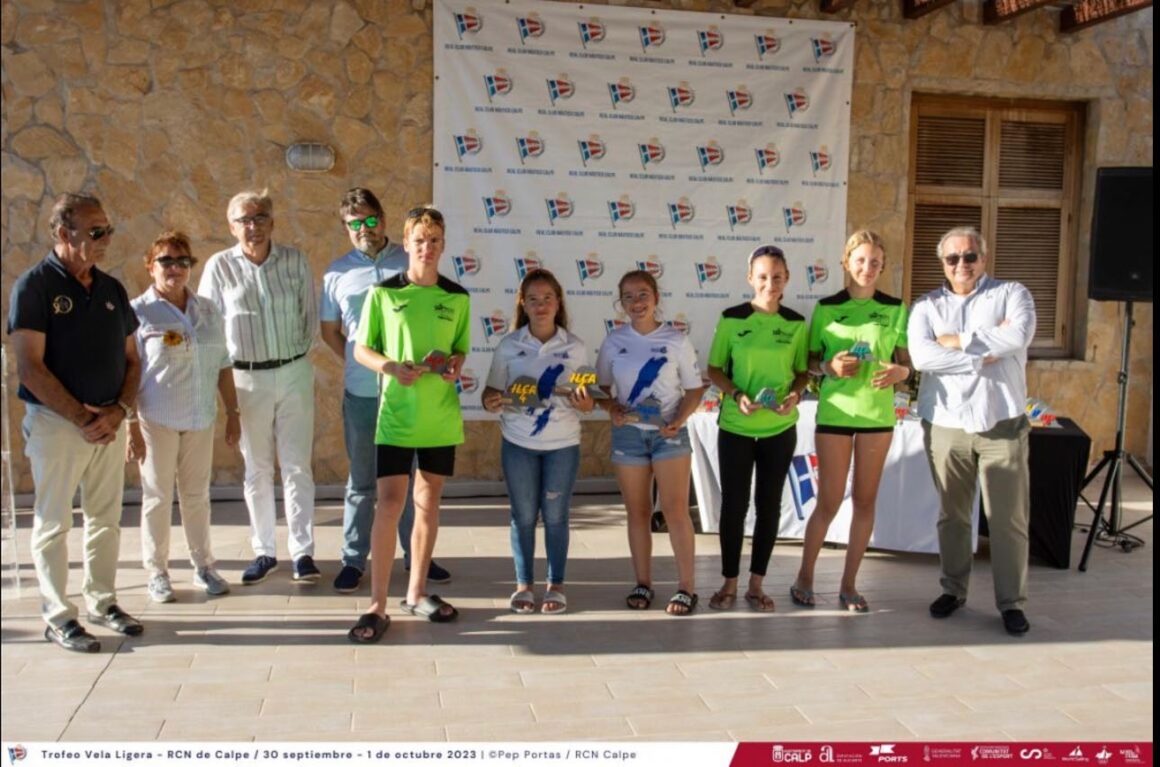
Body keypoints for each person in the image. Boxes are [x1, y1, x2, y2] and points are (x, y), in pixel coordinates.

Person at [7, 193, 144, 652]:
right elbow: (30, 367)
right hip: (58, 424)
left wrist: (119, 411)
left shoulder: (111, 289)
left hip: (109, 421)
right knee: (54, 522)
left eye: (108, 229)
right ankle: (58, 616)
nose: (106, 239)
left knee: (106, 518)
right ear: (64, 233)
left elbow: (133, 360)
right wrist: (82, 417)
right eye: (96, 231)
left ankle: (103, 602)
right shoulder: (34, 287)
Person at [347, 206, 470, 643]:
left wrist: (455, 364)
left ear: (443, 244)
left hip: (439, 416)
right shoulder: (383, 293)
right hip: (396, 416)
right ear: (406, 243)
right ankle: (377, 604)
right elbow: (362, 349)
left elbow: (460, 349)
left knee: (428, 502)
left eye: (434, 240)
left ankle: (416, 592)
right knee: (389, 503)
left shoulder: (457, 297)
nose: (427, 247)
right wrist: (391, 367)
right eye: (419, 240)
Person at [320, 188, 450, 594]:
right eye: (355, 223)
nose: (365, 229)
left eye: (371, 219)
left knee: (410, 480)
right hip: (362, 393)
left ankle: (416, 556)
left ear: (384, 219)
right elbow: (330, 331)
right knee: (362, 480)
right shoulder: (336, 273)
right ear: (346, 227)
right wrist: (361, 363)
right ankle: (352, 560)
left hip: (410, 393)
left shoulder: (406, 260)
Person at [908, 226, 1036, 636]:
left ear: (984, 257)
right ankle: (953, 590)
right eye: (952, 258)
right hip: (946, 423)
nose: (961, 264)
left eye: (969, 256)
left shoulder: (1013, 293)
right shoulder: (926, 306)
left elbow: (1018, 335)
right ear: (942, 263)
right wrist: (981, 354)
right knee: (953, 516)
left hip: (1002, 422)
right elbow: (922, 357)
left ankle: (1011, 603)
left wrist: (956, 341)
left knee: (1007, 520)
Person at [198, 190, 319, 586]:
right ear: (232, 226)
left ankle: (303, 553)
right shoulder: (219, 267)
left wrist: (292, 357)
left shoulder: (295, 260)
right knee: (258, 468)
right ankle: (264, 551)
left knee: (297, 465)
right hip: (246, 379)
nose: (253, 226)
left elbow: (309, 316)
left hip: (293, 371)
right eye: (244, 220)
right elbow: (208, 326)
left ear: (272, 221)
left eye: (260, 217)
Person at [790, 231, 912, 612]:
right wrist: (829, 366)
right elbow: (810, 363)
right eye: (860, 260)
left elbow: (907, 364)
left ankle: (848, 586)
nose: (867, 268)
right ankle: (804, 577)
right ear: (846, 262)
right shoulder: (827, 308)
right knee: (828, 501)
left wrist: (901, 373)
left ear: (883, 266)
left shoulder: (895, 308)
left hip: (877, 415)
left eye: (875, 262)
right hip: (836, 413)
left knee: (864, 500)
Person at [128, 230, 240, 602]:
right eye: (166, 261)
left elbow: (222, 363)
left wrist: (233, 412)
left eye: (182, 261)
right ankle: (157, 572)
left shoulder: (207, 309)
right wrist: (130, 425)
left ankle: (203, 566)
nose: (174, 268)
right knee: (157, 497)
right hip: (155, 418)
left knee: (196, 496)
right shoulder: (138, 312)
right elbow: (127, 370)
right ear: (150, 266)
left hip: (199, 417)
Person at [481, 269, 594, 615]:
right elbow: (490, 392)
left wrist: (585, 403)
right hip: (518, 444)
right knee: (523, 516)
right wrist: (491, 401)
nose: (541, 306)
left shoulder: (575, 347)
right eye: (533, 299)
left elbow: (588, 400)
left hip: (563, 445)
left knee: (556, 516)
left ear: (558, 303)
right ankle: (524, 586)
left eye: (547, 299)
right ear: (523, 304)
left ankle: (555, 585)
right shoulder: (509, 345)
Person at [706, 245, 809, 613]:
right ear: (750, 277)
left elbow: (802, 373)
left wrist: (795, 395)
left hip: (779, 429)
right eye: (763, 276)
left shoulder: (796, 323)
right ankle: (729, 582)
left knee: (769, 506)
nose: (770, 283)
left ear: (787, 279)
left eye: (777, 276)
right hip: (736, 426)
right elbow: (714, 369)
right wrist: (736, 394)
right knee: (734, 506)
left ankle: (756, 585)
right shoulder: (731, 319)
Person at [596, 270, 705, 616]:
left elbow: (694, 390)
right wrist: (611, 408)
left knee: (674, 511)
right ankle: (642, 583)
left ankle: (687, 588)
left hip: (668, 433)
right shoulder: (613, 341)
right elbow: (601, 389)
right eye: (628, 296)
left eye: (643, 294)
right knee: (638, 512)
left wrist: (678, 420)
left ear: (656, 297)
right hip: (629, 434)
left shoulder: (676, 339)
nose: (636, 302)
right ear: (621, 303)